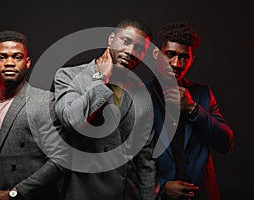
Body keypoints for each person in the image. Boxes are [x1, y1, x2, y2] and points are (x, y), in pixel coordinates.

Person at [53, 18, 156, 200]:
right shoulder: (69, 76)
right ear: (110, 39)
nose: (131, 52)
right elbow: (73, 121)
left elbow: (144, 159)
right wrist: (100, 79)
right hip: (80, 192)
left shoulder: (141, 96)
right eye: (126, 42)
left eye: (139, 49)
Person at [0, 30, 65, 200]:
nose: (9, 62)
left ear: (27, 63)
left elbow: (60, 160)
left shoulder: (45, 101)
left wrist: (14, 193)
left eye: (17, 57)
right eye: (2, 57)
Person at [146, 22, 234, 200]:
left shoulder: (203, 94)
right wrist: (161, 187)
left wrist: (193, 109)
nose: (177, 64)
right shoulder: (138, 95)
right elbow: (126, 160)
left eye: (184, 57)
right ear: (157, 55)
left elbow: (225, 142)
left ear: (192, 60)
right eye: (170, 54)